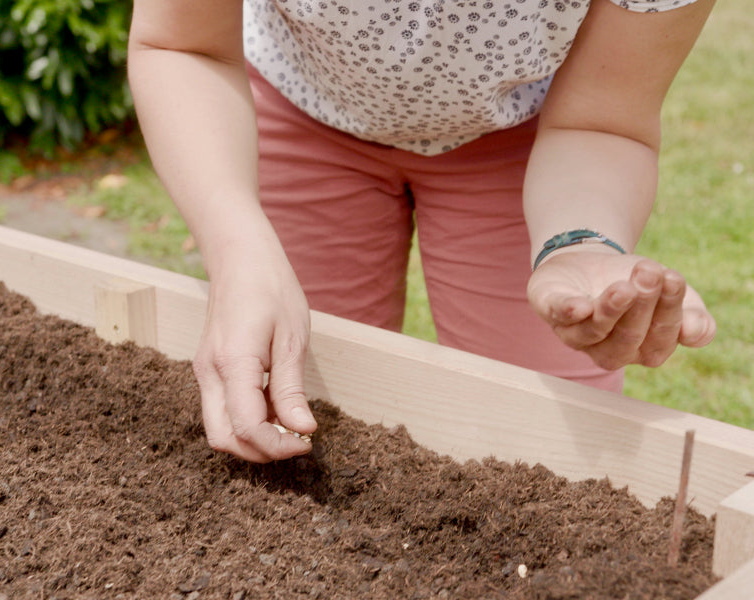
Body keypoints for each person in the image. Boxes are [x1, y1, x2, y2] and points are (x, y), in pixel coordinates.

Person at [127, 0, 717, 463]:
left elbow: (602, 120)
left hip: (531, 140)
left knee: (549, 446)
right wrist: (239, 248)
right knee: (295, 404)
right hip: (300, 108)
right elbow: (184, 45)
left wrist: (580, 241)